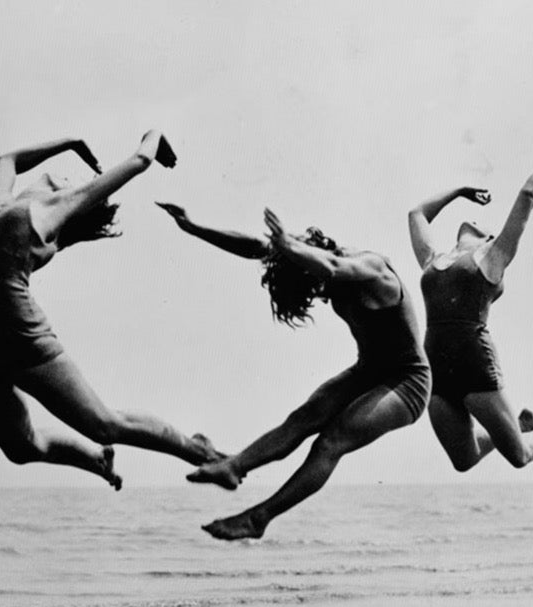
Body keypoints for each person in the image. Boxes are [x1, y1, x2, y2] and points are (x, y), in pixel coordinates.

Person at [0, 129, 219, 488]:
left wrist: (154, 134)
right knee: (20, 447)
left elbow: (139, 161)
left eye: (57, 179)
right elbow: (7, 161)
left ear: (63, 196)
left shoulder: (50, 208)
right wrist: (68, 142)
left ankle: (198, 451)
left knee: (104, 424)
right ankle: (96, 460)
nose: (47, 176)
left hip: (17, 333)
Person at [153, 201, 430, 541]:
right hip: (368, 370)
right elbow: (258, 248)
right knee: (303, 418)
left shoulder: (371, 267)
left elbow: (329, 266)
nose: (320, 295)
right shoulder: (310, 261)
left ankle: (259, 518)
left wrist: (287, 244)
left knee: (331, 441)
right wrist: (195, 227)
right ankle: (233, 467)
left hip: (408, 383)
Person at [407, 154, 533, 471]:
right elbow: (416, 214)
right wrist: (458, 191)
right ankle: (516, 426)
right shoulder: (433, 260)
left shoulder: (492, 258)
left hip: (473, 364)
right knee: (464, 459)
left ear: (489, 238)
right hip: (436, 370)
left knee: (520, 457)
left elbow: (526, 197)